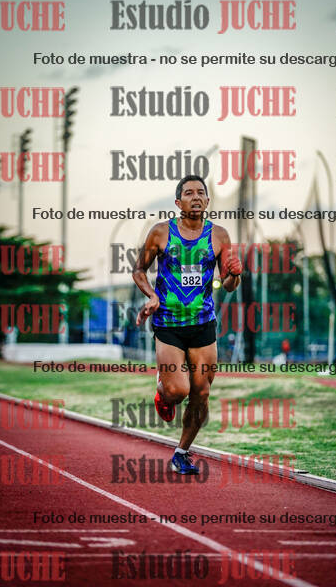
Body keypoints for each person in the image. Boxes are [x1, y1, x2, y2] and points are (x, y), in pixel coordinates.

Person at [132, 175, 242, 474]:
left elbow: (228, 285)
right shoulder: (160, 232)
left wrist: (234, 274)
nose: (196, 197)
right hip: (168, 323)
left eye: (201, 192)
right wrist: (152, 295)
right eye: (189, 193)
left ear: (207, 200)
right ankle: (163, 392)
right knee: (178, 391)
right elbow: (139, 270)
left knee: (201, 393)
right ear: (178, 202)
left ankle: (181, 453)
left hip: (203, 323)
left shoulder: (219, 235)